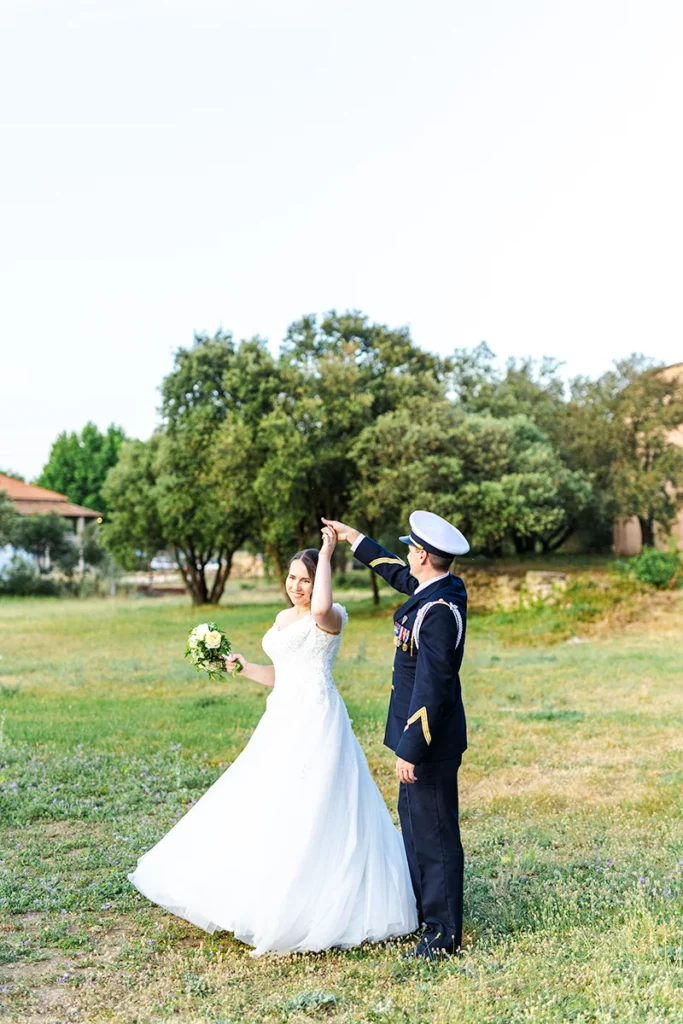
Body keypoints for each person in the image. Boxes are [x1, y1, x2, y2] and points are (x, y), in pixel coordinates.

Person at [128, 525, 417, 956]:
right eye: (291, 577)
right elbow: (279, 675)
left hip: (317, 718)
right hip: (282, 715)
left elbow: (319, 609)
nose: (296, 586)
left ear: (319, 579)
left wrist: (327, 549)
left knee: (315, 802)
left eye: (305, 578)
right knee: (266, 799)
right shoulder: (283, 619)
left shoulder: (332, 614)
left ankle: (311, 899)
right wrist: (241, 666)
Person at [322, 511, 469, 959]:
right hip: (420, 741)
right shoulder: (435, 589)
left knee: (436, 835)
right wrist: (354, 539)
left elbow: (433, 686)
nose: (406, 554)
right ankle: (426, 915)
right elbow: (395, 572)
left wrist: (411, 748)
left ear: (424, 555)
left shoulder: (440, 611)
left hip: (429, 743)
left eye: (411, 549)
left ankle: (443, 934)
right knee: (417, 828)